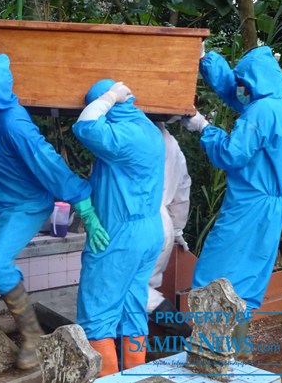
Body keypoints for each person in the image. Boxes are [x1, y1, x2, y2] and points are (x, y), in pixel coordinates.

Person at [0, 53, 108, 370]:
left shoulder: (14, 124)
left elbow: (50, 163)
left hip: (25, 207)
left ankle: (32, 335)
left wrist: (85, 208)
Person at [182, 46, 282, 346]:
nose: (241, 90)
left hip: (251, 204)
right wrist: (206, 59)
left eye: (245, 83)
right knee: (248, 280)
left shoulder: (260, 111)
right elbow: (237, 93)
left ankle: (210, 350)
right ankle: (236, 352)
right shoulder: (281, 104)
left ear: (255, 82)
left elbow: (232, 154)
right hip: (273, 204)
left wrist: (204, 127)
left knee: (214, 275)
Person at [72, 79, 165, 376]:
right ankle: (136, 377)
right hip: (149, 231)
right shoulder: (148, 129)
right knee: (132, 308)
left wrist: (107, 97)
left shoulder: (122, 135)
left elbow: (85, 126)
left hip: (120, 237)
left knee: (97, 314)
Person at [147, 120, 192, 337]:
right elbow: (182, 190)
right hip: (163, 222)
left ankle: (181, 332)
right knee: (143, 286)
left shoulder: (131, 136)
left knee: (134, 289)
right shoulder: (172, 143)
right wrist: (177, 229)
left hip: (141, 221)